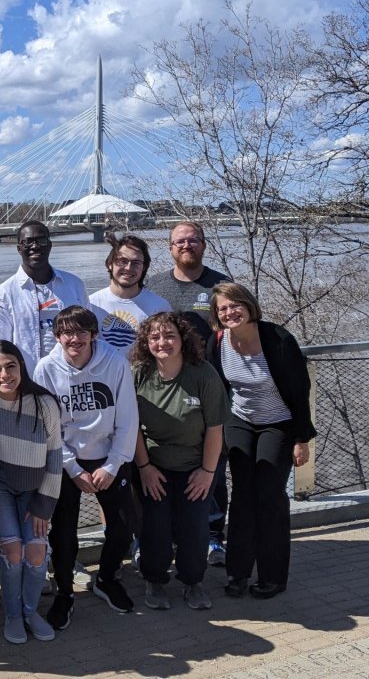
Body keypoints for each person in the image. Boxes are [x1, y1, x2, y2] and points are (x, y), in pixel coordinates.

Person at [33, 306, 139, 628]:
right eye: (67, 332)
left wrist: (112, 464)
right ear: (57, 336)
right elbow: (47, 427)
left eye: (81, 332)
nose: (74, 339)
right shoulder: (46, 369)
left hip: (109, 456)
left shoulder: (116, 363)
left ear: (94, 335)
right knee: (64, 536)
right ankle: (65, 593)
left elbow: (127, 420)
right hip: (66, 459)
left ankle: (106, 579)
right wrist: (72, 468)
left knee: (123, 527)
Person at [206, 282, 314, 600]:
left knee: (269, 494)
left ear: (249, 305)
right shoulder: (219, 341)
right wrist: (218, 431)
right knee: (242, 496)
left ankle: (272, 575)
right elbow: (217, 389)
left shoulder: (277, 340)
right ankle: (237, 573)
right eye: (222, 308)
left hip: (278, 423)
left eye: (234, 304)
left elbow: (299, 391)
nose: (230, 312)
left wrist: (301, 439)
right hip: (239, 421)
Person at [146, 221, 233, 566]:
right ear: (169, 248)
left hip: (213, 385)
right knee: (167, 468)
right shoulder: (154, 288)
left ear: (204, 245)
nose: (187, 245)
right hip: (166, 390)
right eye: (179, 241)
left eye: (193, 239)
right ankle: (168, 541)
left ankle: (213, 537)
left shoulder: (221, 285)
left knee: (213, 464)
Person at [130, 312, 227, 611]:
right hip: (153, 466)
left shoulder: (203, 374)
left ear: (183, 339)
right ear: (147, 342)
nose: (163, 342)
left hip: (196, 466)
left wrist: (207, 472)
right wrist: (144, 468)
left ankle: (192, 582)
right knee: (155, 526)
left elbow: (215, 429)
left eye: (170, 335)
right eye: (156, 337)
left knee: (194, 526)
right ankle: (155, 580)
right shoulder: (138, 374)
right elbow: (131, 426)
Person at [0, 341, 62, 644]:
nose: (4, 374)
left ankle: (30, 611)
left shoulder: (44, 403)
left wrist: (45, 504)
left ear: (21, 366)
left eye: (10, 366)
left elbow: (55, 455)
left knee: (36, 553)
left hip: (35, 489)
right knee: (13, 550)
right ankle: (12, 614)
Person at [0, 221, 89, 373]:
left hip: (73, 378)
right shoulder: (3, 295)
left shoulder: (74, 285)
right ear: (19, 248)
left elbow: (89, 333)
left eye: (41, 240)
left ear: (50, 245)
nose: (35, 246)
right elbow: (0, 347)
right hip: (29, 382)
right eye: (28, 242)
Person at [88, 233, 171, 352]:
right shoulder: (91, 304)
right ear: (110, 264)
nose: (128, 268)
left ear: (144, 267)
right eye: (122, 261)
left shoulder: (159, 307)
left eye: (136, 263)